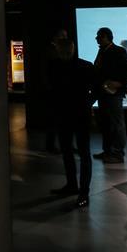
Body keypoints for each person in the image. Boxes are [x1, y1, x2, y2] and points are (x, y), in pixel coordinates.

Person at [47, 38, 95, 208]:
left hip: (72, 115)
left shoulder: (79, 66)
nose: (64, 53)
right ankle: (76, 188)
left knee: (80, 153)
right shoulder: (83, 66)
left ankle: (81, 191)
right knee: (74, 152)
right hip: (71, 115)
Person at [92, 27, 127, 163]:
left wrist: (120, 83)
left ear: (106, 37)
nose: (97, 39)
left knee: (116, 123)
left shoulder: (118, 50)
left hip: (113, 93)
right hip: (104, 92)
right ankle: (108, 151)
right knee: (106, 122)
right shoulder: (103, 50)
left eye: (99, 36)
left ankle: (117, 153)